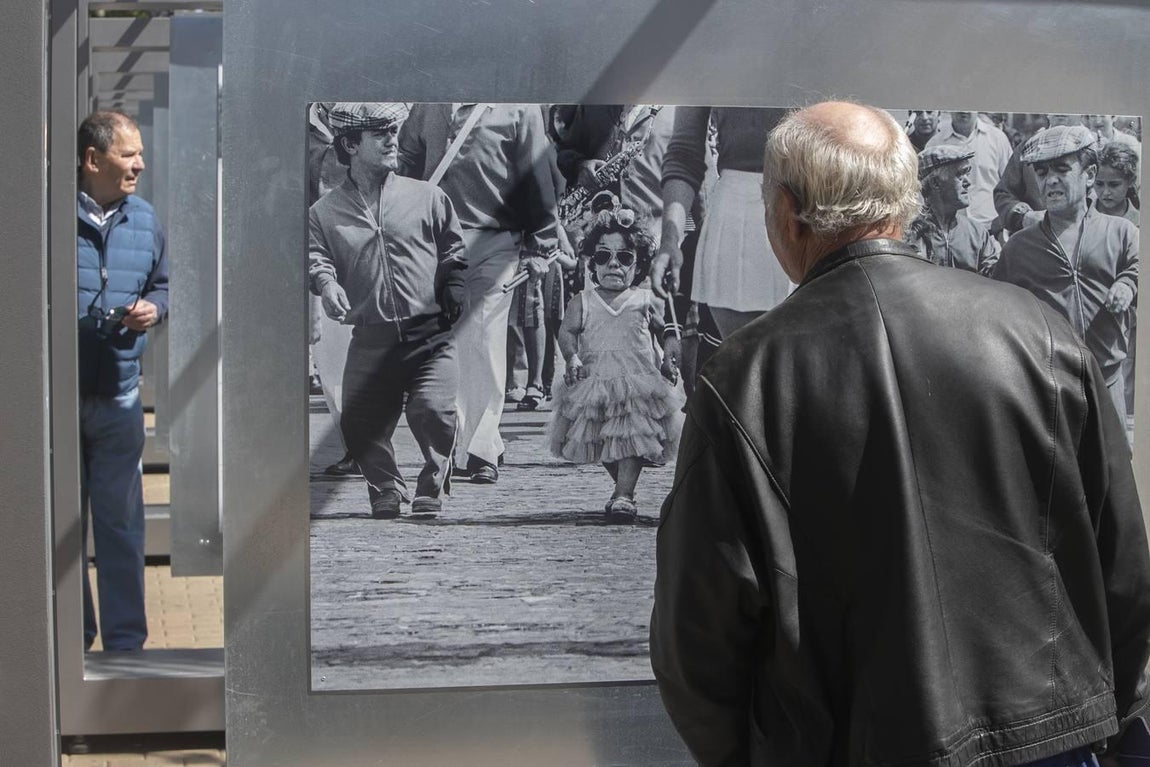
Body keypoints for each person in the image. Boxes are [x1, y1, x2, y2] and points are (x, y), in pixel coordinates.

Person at [651, 101, 1150, 767]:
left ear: (788, 213)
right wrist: (1116, 730)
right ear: (903, 203)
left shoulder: (745, 376)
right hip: (1047, 738)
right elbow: (1122, 565)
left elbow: (698, 632)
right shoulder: (1038, 333)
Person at [309, 103, 467, 518]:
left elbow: (453, 247)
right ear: (350, 145)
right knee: (359, 420)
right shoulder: (324, 212)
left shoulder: (427, 196)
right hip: (371, 337)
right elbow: (315, 256)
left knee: (432, 410)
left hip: (430, 334)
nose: (391, 140)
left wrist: (453, 284)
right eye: (379, 134)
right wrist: (326, 284)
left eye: (393, 131)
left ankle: (432, 485)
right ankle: (385, 487)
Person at [399, 103, 564, 484]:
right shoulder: (428, 103)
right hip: (435, 240)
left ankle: (481, 449)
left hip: (495, 240)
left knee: (485, 340)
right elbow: (405, 162)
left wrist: (541, 245)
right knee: (448, 344)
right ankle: (459, 441)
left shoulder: (518, 109)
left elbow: (536, 175)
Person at [77, 110, 169, 651]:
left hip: (119, 397)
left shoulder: (145, 218)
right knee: (58, 528)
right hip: (55, 403)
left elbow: (164, 285)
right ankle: (75, 636)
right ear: (93, 160)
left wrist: (154, 308)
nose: (140, 164)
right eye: (129, 153)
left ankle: (126, 645)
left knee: (120, 525)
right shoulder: (49, 217)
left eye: (140, 153)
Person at [548, 196, 683, 523]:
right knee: (601, 443)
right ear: (591, 263)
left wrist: (668, 357)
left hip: (637, 387)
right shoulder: (583, 301)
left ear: (639, 264)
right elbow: (567, 332)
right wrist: (571, 357)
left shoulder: (644, 299)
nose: (613, 265)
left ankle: (624, 494)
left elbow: (665, 329)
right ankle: (621, 488)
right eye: (603, 256)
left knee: (632, 442)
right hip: (594, 385)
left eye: (624, 257)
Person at [993, 124, 1138, 426]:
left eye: (1062, 169)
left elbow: (1139, 266)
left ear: (1090, 174)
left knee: (1113, 456)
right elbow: (997, 316)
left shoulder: (1122, 232)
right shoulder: (1019, 247)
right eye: (1042, 173)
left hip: (1108, 383)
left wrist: (1127, 283)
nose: (1050, 181)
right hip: (1048, 391)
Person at [653, 106, 792, 339]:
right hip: (736, 216)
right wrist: (670, 239)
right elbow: (685, 152)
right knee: (743, 355)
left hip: (814, 205)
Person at [907, 144, 1000, 275]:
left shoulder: (977, 233)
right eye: (960, 175)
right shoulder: (910, 234)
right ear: (935, 183)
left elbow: (993, 280)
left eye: (967, 173)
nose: (968, 183)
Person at [994, 114, 1081, 234]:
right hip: (1037, 237)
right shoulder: (1028, 148)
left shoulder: (1095, 148)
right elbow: (1004, 194)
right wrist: (1024, 216)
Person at [926, 110, 1013, 227]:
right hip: (952, 228)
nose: (964, 110)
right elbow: (929, 193)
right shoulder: (935, 144)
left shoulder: (998, 139)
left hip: (992, 226)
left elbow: (1010, 186)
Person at [1095, 141, 1140, 225]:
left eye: (1114, 185)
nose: (1105, 192)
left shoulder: (1139, 222)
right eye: (1099, 184)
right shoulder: (1081, 217)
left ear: (1131, 181)